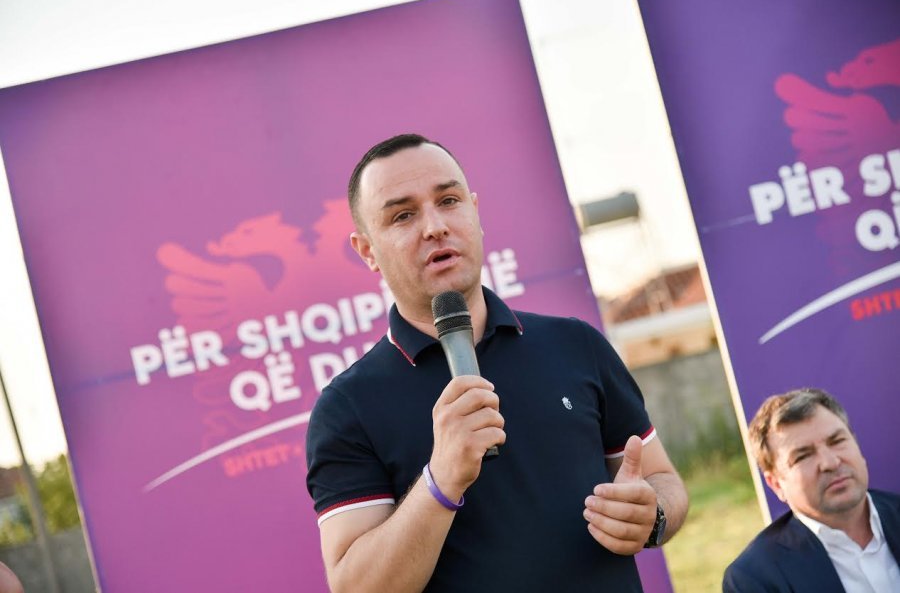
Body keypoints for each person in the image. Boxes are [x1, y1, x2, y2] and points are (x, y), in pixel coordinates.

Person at [305, 133, 687, 592]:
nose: (435, 227)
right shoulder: (347, 408)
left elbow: (663, 480)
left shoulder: (576, 343)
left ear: (475, 211)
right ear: (367, 250)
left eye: (449, 201)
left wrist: (653, 514)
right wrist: (441, 479)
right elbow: (356, 587)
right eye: (403, 215)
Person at [723, 388, 900, 592]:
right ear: (776, 484)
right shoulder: (755, 579)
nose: (830, 463)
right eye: (803, 456)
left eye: (837, 441)